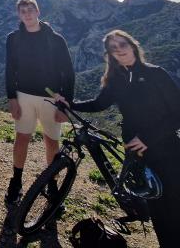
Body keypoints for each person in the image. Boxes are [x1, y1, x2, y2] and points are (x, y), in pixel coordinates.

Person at [59, 30, 180, 248]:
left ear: (132, 45)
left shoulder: (156, 74)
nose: (119, 50)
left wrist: (148, 138)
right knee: (157, 208)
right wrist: (71, 103)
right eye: (113, 48)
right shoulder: (116, 81)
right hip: (137, 153)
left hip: (166, 149)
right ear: (110, 55)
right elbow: (99, 104)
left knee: (173, 206)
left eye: (122, 44)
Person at [5, 0, 75, 207]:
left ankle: (52, 185)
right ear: (19, 15)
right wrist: (12, 99)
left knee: (51, 141)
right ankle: (16, 181)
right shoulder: (13, 39)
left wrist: (65, 104)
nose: (27, 13)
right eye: (23, 10)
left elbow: (69, 73)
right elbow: (10, 70)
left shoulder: (55, 39)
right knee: (21, 138)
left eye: (30, 9)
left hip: (51, 98)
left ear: (38, 11)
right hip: (23, 96)